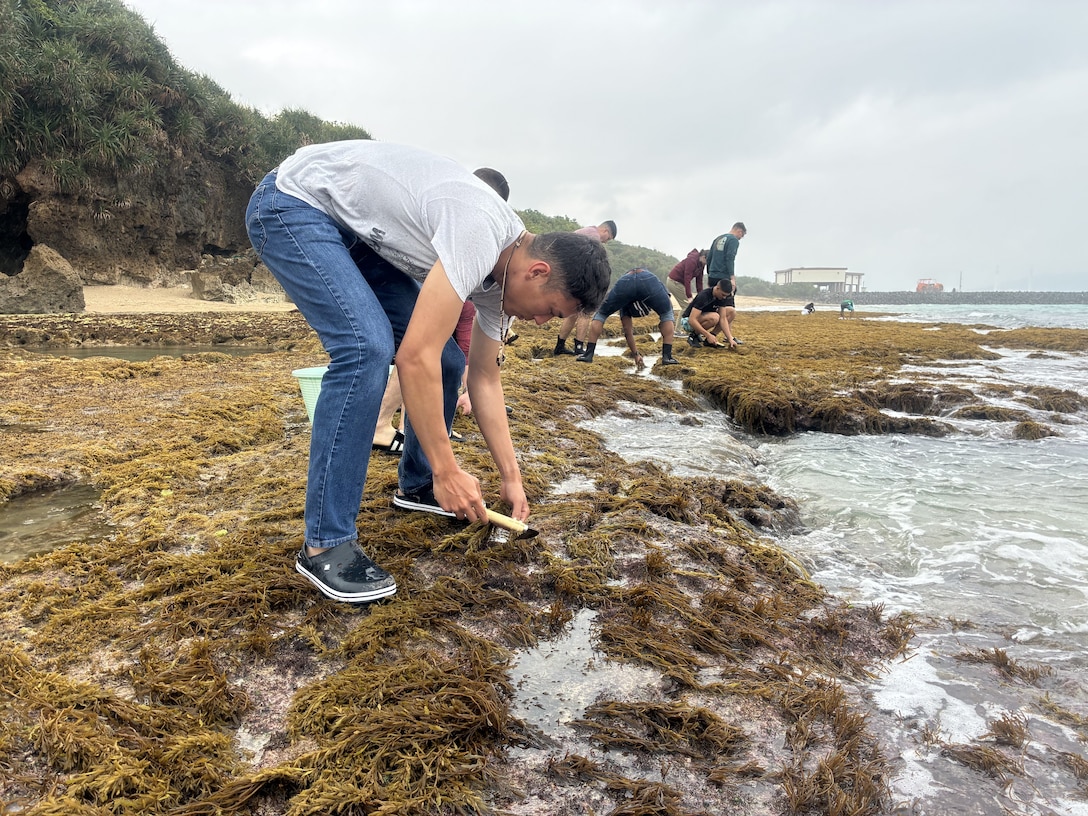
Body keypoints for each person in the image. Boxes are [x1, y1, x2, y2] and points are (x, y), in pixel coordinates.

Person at [245, 141, 610, 604]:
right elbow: (413, 356)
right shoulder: (480, 232)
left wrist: (510, 476)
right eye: (550, 311)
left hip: (356, 232)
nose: (541, 323)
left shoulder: (505, 280)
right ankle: (325, 542)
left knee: (449, 360)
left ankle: (416, 485)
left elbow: (484, 378)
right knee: (366, 348)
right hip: (293, 202)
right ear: (537, 272)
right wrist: (448, 468)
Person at [375, 168, 511, 446]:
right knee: (420, 351)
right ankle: (389, 426)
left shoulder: (468, 235)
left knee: (441, 357)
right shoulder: (461, 235)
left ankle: (406, 428)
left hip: (412, 280)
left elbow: (465, 324)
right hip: (400, 277)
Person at [575, 267, 679, 367]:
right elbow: (667, 306)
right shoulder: (648, 291)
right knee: (667, 314)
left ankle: (588, 354)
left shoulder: (624, 303)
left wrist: (636, 355)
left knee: (601, 314)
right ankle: (667, 357)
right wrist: (664, 321)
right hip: (648, 281)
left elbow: (627, 332)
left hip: (625, 282)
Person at [553, 220, 617, 356]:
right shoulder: (593, 237)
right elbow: (589, 265)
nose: (606, 242)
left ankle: (560, 346)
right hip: (570, 275)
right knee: (585, 312)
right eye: (608, 239)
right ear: (606, 231)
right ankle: (579, 347)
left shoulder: (587, 231)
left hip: (564, 272)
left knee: (573, 313)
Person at [705, 222, 746, 345]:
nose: (740, 238)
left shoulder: (718, 239)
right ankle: (727, 336)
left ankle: (725, 335)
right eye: (741, 235)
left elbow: (709, 258)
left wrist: (710, 275)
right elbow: (730, 258)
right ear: (739, 231)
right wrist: (732, 278)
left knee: (716, 306)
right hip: (724, 276)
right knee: (729, 308)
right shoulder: (733, 240)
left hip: (713, 275)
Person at [681, 279, 737, 349]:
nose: (724, 297)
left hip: (704, 316)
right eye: (723, 295)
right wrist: (707, 335)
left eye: (726, 296)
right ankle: (693, 336)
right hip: (687, 321)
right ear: (717, 288)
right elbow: (692, 319)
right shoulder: (704, 296)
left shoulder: (722, 297)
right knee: (715, 317)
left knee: (731, 312)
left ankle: (710, 338)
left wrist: (730, 338)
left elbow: (723, 318)